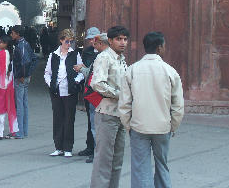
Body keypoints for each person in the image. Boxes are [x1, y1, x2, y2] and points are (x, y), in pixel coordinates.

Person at [119, 31, 184, 188]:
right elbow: (178, 105)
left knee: (140, 167)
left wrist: (129, 125)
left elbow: (124, 104)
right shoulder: (170, 71)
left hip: (139, 126)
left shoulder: (132, 70)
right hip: (162, 127)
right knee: (162, 165)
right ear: (160, 47)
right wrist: (173, 125)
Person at [89, 27, 129, 188]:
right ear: (110, 41)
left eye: (125, 39)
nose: (123, 42)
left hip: (121, 113)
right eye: (119, 39)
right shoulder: (104, 57)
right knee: (104, 159)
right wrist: (119, 94)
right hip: (107, 113)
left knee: (117, 159)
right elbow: (97, 83)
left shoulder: (121, 59)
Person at [44, 28, 84, 157]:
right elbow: (47, 73)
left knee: (69, 119)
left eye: (71, 42)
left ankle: (68, 147)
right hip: (56, 91)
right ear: (61, 40)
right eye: (67, 41)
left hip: (70, 91)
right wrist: (51, 83)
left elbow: (81, 71)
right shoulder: (53, 55)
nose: (69, 44)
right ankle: (58, 147)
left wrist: (76, 81)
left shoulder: (75, 54)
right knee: (58, 118)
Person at [75, 26, 101, 163]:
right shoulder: (88, 52)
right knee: (90, 121)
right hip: (88, 88)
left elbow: (91, 70)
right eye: (90, 39)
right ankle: (90, 146)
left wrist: (83, 69)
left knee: (96, 122)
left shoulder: (104, 53)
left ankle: (98, 150)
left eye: (93, 39)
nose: (91, 41)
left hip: (98, 91)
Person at [9, 25, 38, 139]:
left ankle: (19, 131)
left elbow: (24, 62)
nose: (11, 35)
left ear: (17, 34)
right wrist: (29, 73)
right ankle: (24, 130)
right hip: (25, 77)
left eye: (12, 33)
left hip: (20, 78)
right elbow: (34, 59)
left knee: (19, 104)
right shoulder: (26, 44)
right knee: (24, 104)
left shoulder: (20, 46)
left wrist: (22, 74)